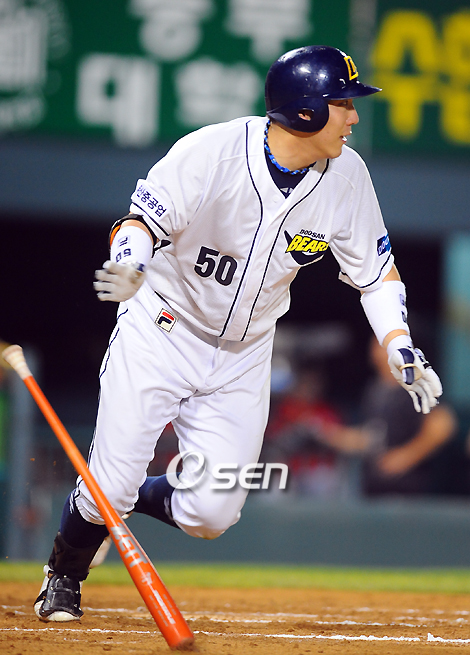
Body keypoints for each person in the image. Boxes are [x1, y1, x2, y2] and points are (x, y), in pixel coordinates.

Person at [34, 45, 442, 622]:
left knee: (212, 515)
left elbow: (377, 275)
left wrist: (399, 343)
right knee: (112, 481)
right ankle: (65, 573)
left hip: (245, 354)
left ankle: (123, 497)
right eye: (344, 104)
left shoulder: (348, 176)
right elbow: (139, 222)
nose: (354, 116)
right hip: (163, 329)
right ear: (305, 111)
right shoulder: (212, 151)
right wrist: (130, 260)